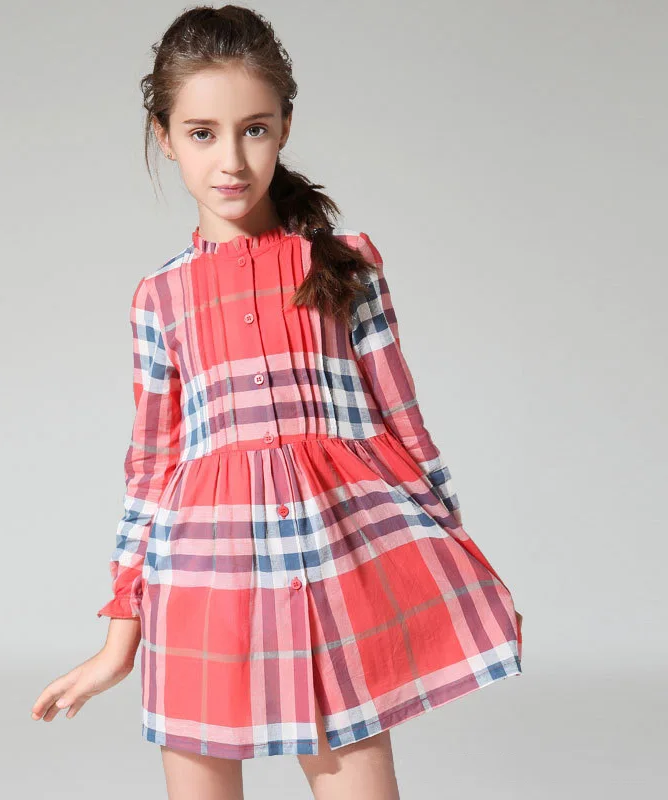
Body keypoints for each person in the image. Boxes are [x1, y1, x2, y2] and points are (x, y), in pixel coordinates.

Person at [31, 5, 523, 798]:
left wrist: (464, 560)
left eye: (253, 129)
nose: (230, 160)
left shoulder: (344, 269)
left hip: (328, 576)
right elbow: (152, 470)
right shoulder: (160, 298)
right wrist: (120, 639)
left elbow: (406, 428)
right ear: (164, 136)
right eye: (201, 133)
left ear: (286, 126)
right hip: (200, 586)